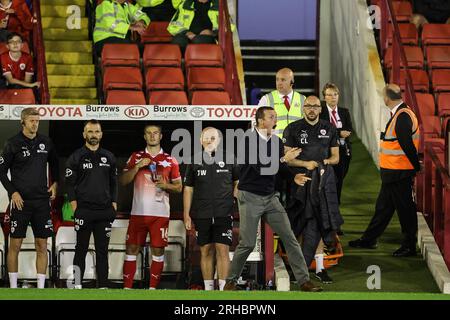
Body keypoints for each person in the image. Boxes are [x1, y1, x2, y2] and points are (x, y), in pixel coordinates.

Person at [224, 106, 322, 292]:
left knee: (289, 237)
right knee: (247, 243)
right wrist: (284, 159)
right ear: (261, 121)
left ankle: (304, 282)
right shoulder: (247, 140)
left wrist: (293, 176)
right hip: (250, 197)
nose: (275, 120)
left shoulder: (276, 142)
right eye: (271, 117)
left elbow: (279, 169)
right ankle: (231, 281)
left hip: (270, 198)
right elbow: (261, 168)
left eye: (275, 117)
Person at [349, 84, 420, 257]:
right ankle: (369, 239)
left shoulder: (402, 116)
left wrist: (415, 166)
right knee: (383, 208)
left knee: (405, 210)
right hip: (393, 173)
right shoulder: (402, 113)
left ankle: (409, 246)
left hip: (399, 172)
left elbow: (405, 143)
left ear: (387, 98)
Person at [283, 95, 342, 284]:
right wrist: (306, 164)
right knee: (300, 226)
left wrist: (323, 163)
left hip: (322, 184)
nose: (311, 109)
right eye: (308, 106)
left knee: (321, 222)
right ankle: (299, 268)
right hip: (298, 182)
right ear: (303, 108)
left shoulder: (330, 128)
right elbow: (287, 159)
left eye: (315, 106)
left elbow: (336, 158)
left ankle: (320, 268)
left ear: (320, 108)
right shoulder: (292, 129)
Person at [0, 107, 59, 289]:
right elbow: (1, 171)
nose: (35, 124)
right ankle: (13, 287)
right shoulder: (13, 143)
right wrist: (13, 192)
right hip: (21, 202)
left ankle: (41, 288)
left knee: (42, 245)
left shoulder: (46, 142)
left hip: (42, 202)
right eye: (32, 120)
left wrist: (55, 183)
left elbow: (56, 164)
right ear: (23, 122)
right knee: (14, 245)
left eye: (37, 120)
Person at [121, 124, 182, 289]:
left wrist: (165, 185)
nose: (152, 136)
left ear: (161, 136)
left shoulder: (170, 160)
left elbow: (179, 187)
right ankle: (127, 289)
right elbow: (123, 180)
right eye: (149, 133)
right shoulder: (136, 157)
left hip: (160, 214)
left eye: (155, 133)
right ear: (144, 136)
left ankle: (152, 289)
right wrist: (138, 166)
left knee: (158, 251)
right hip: (138, 213)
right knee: (132, 248)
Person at [183, 127, 239, 291]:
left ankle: (222, 290)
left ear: (219, 140)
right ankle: (208, 290)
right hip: (202, 214)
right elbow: (188, 189)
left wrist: (234, 198)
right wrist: (186, 214)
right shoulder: (194, 161)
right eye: (206, 138)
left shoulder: (230, 158)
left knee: (223, 250)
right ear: (201, 141)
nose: (209, 141)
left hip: (224, 213)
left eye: (213, 138)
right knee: (205, 250)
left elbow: (238, 182)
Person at [65, 120, 118, 289]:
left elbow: (114, 183)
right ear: (84, 134)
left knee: (102, 250)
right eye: (90, 131)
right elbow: (69, 184)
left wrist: (114, 203)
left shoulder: (109, 156)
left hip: (104, 211)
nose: (93, 135)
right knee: (80, 248)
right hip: (84, 211)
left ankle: (103, 285)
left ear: (101, 134)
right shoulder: (76, 156)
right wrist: (75, 206)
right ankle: (78, 284)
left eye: (96, 131)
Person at [320, 82, 353, 205]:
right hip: (326, 151)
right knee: (327, 178)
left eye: (335, 94)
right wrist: (339, 133)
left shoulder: (344, 112)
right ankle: (326, 201)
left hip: (343, 149)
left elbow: (349, 129)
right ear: (324, 97)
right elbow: (323, 130)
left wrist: (343, 133)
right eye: (329, 95)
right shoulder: (321, 112)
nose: (333, 97)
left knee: (340, 177)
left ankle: (336, 202)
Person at [257, 68, 306, 138]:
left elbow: (307, 125)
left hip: (296, 146)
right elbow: (259, 124)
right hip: (274, 145)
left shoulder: (303, 99)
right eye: (277, 79)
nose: (279, 83)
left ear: (292, 82)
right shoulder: (266, 99)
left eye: (283, 80)